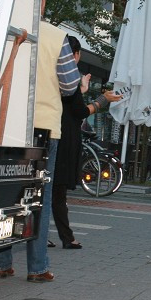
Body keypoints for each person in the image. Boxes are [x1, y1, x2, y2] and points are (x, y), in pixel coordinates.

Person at [0, 0, 79, 282]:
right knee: (39, 196)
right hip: (44, 127)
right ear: (42, 2)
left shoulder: (2, 30)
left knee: (3, 195)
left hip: (4, 125)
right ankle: (37, 267)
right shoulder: (57, 37)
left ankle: (1, 262)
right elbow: (69, 85)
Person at [52, 37, 121, 249]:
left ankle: (50, 234)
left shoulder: (53, 75)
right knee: (57, 191)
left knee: (50, 190)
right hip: (64, 139)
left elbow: (70, 104)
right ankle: (66, 237)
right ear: (75, 54)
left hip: (54, 134)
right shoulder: (68, 77)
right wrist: (102, 101)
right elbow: (80, 111)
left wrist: (81, 92)